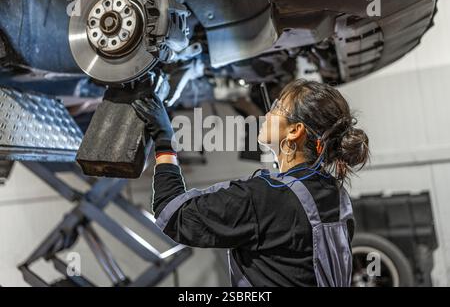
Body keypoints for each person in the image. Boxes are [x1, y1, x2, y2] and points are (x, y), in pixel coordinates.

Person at [132, 79, 370, 287]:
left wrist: (165, 142)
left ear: (295, 131)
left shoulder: (268, 196)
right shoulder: (335, 195)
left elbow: (173, 214)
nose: (268, 112)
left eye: (277, 107)